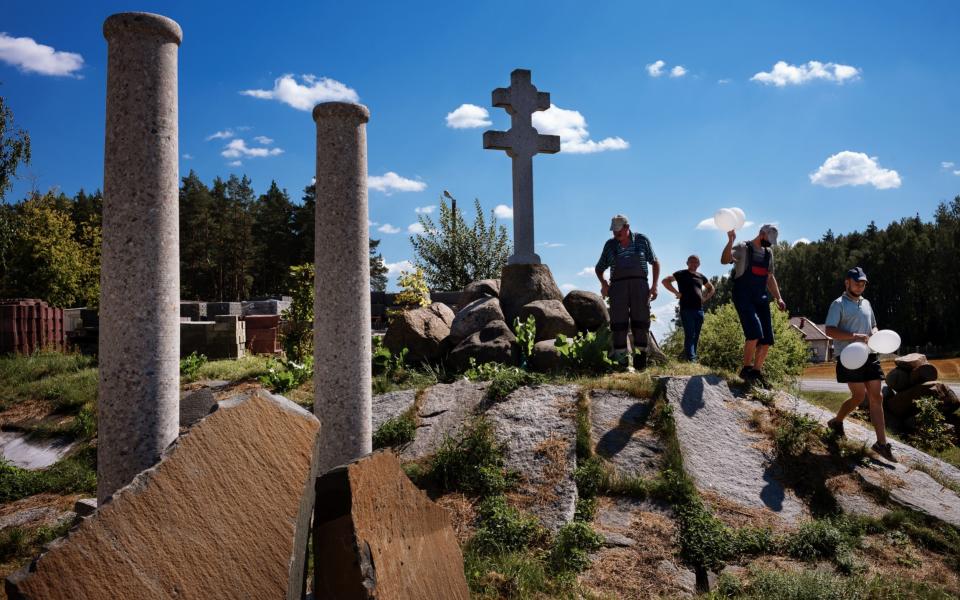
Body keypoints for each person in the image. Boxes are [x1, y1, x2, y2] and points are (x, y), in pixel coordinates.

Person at [824, 267, 896, 462]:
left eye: (863, 283)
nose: (861, 286)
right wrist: (853, 336)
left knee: (877, 396)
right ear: (847, 282)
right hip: (849, 357)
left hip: (870, 355)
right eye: (857, 282)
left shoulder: (867, 303)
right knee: (858, 396)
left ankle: (881, 444)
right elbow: (829, 330)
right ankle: (837, 422)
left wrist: (874, 332)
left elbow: (873, 324)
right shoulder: (838, 304)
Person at [720, 224, 786, 385]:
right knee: (754, 333)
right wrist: (730, 241)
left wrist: (779, 298)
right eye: (768, 239)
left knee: (767, 339)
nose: (770, 243)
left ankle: (756, 372)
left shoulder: (768, 253)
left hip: (760, 297)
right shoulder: (743, 247)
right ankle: (746, 370)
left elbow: (769, 277)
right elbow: (724, 260)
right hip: (743, 295)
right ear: (761, 234)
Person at [596, 214, 660, 369]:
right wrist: (604, 283)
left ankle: (640, 365)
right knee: (618, 325)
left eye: (618, 230)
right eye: (613, 231)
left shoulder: (642, 240)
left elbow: (655, 262)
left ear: (627, 227)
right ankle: (621, 364)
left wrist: (655, 285)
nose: (615, 234)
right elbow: (599, 268)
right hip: (618, 288)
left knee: (641, 323)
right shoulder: (610, 245)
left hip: (640, 286)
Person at [662, 255, 715, 362]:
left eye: (696, 262)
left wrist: (705, 298)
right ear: (687, 263)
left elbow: (711, 288)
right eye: (691, 262)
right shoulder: (681, 274)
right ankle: (692, 359)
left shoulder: (701, 276)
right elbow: (665, 281)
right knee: (690, 334)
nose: (694, 264)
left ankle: (691, 357)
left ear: (699, 264)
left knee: (696, 335)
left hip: (699, 310)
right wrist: (676, 292)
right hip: (686, 309)